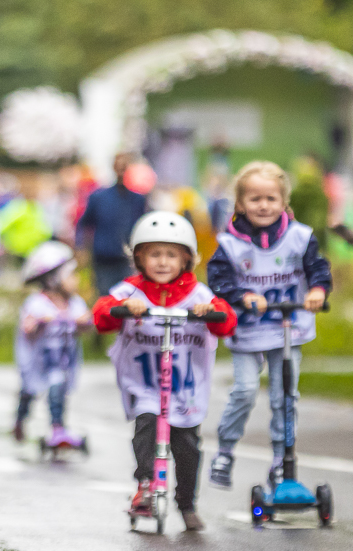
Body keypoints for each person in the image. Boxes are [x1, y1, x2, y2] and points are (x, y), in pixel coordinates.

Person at [93, 212, 237, 531]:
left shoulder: (198, 293)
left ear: (186, 259)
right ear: (139, 257)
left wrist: (211, 312)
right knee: (146, 429)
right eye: (154, 254)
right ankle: (145, 484)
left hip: (183, 388)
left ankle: (186, 503)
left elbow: (227, 321)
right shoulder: (130, 290)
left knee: (187, 445)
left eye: (171, 255)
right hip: (146, 385)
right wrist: (124, 308)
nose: (162, 262)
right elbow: (102, 314)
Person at [206, 161, 332, 489]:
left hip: (288, 327)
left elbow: (318, 269)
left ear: (283, 202)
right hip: (248, 329)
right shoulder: (230, 244)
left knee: (285, 396)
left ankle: (281, 460)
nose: (263, 205)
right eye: (255, 199)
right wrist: (241, 294)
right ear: (240, 204)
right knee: (246, 390)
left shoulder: (300, 238)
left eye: (271, 199)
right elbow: (218, 280)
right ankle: (226, 449)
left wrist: (318, 290)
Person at [13, 241, 91, 443]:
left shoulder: (73, 303)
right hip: (38, 360)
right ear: (53, 279)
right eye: (70, 275)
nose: (76, 280)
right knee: (28, 391)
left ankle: (58, 427)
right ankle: (20, 420)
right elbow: (27, 326)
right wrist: (37, 322)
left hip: (61, 361)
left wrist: (83, 321)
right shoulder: (37, 303)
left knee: (58, 390)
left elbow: (86, 322)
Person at [77, 153, 148, 296]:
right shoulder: (98, 197)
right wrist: (81, 248)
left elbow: (142, 227)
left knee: (129, 297)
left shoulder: (137, 200)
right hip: (104, 260)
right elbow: (84, 223)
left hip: (128, 261)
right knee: (106, 298)